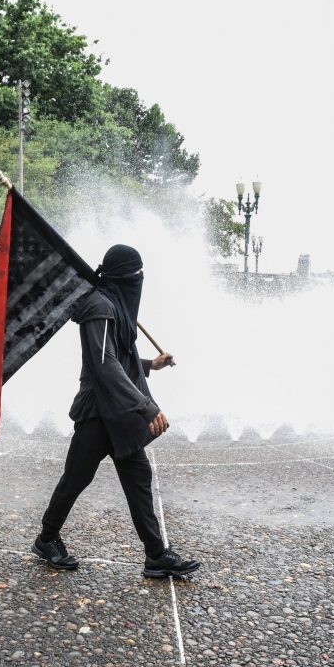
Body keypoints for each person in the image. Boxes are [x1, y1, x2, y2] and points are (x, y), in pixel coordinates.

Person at [33, 244, 200, 579]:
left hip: (118, 414)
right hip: (98, 413)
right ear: (126, 275)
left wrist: (150, 364)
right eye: (136, 273)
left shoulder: (115, 305)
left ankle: (156, 555)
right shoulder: (100, 306)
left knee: (138, 478)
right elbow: (104, 365)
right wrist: (146, 406)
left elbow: (117, 358)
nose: (140, 279)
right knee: (76, 478)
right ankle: (47, 538)